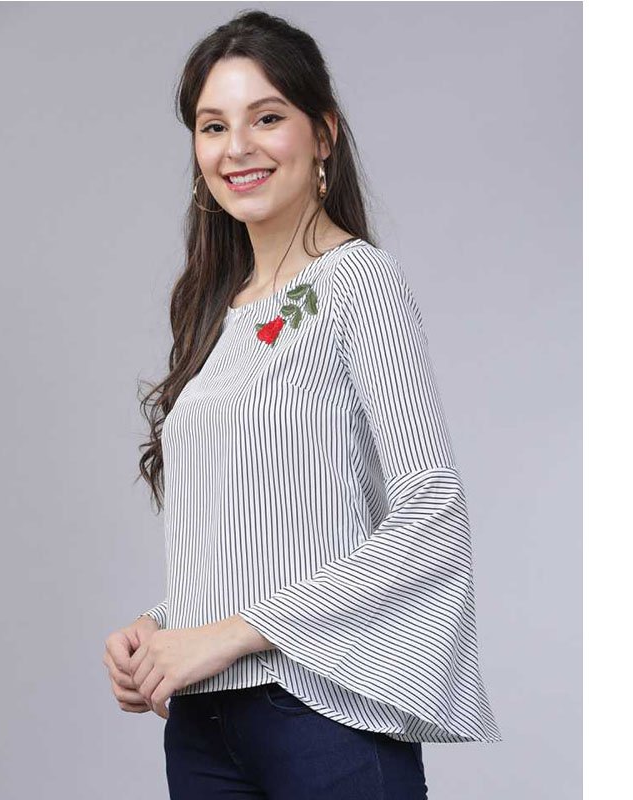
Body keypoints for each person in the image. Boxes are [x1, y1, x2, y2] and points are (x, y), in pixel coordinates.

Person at [102, 9, 502, 799]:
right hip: (203, 726)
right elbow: (265, 531)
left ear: (323, 134)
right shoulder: (216, 315)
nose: (237, 147)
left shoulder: (358, 282)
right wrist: (162, 629)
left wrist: (228, 635)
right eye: (214, 126)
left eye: (267, 117)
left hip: (319, 714)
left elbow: (432, 510)